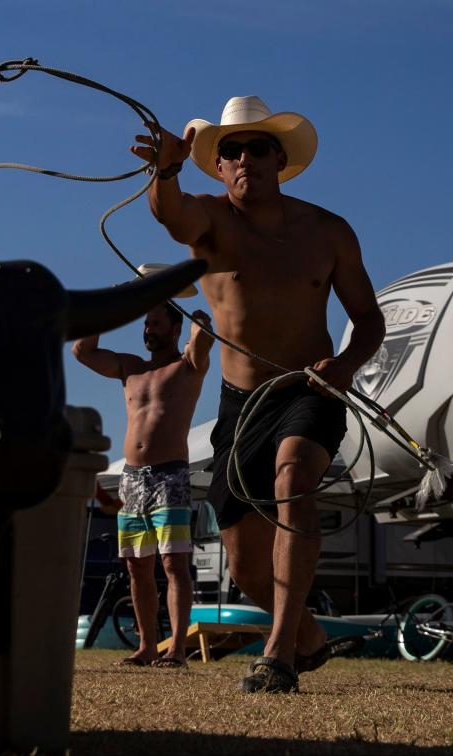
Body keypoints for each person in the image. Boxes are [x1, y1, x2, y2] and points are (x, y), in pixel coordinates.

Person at [132, 96, 385, 692]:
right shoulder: (209, 220)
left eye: (257, 148)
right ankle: (309, 636)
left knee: (293, 476)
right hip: (240, 404)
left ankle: (278, 657)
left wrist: (346, 365)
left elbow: (368, 319)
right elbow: (170, 216)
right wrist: (164, 169)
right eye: (231, 151)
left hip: (310, 388)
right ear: (219, 168)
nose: (245, 159)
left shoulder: (329, 231)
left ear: (280, 158)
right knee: (245, 565)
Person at [73, 300, 214, 667]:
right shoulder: (129, 368)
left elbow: (203, 336)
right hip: (131, 479)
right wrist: (111, 307)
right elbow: (81, 351)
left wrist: (196, 311)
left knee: (173, 563)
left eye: (155, 324)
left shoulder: (186, 367)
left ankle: (178, 649)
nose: (148, 330)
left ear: (173, 328)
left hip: (170, 475)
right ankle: (147, 646)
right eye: (145, 323)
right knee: (136, 565)